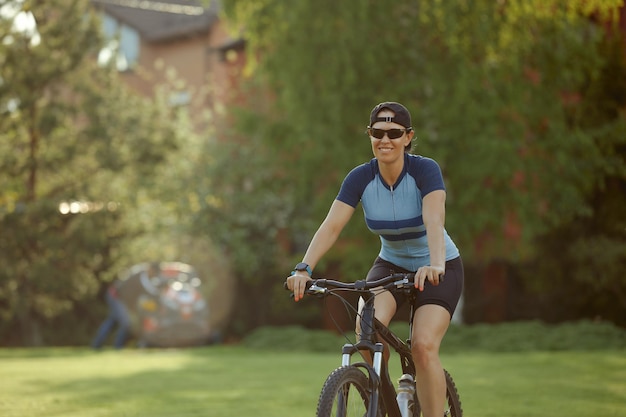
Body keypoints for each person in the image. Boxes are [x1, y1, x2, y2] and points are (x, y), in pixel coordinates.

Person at [286, 102, 464, 417]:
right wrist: (304, 267)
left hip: (439, 266)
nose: (386, 139)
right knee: (365, 333)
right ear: (370, 135)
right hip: (391, 265)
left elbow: (434, 220)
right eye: (378, 132)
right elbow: (332, 227)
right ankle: (384, 407)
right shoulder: (360, 178)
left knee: (422, 346)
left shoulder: (425, 170)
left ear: (408, 137)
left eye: (394, 133)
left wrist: (435, 264)